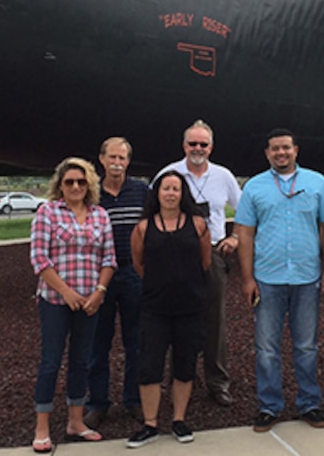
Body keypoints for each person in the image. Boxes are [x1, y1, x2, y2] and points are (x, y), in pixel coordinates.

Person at [235, 128, 324, 432]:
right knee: (267, 347)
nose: (280, 153)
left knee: (306, 345)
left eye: (285, 148)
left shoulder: (317, 182)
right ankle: (269, 406)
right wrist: (246, 278)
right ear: (267, 154)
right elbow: (245, 233)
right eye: (274, 149)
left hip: (306, 277)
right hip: (268, 278)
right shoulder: (255, 187)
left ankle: (309, 403)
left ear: (296, 150)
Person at [29, 157, 117, 453]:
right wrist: (66, 292)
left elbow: (109, 259)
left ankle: (75, 422)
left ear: (89, 184)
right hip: (55, 300)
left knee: (81, 361)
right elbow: (40, 259)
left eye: (81, 181)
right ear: (60, 185)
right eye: (69, 182)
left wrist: (100, 292)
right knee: (51, 361)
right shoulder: (48, 213)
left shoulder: (100, 215)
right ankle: (42, 426)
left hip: (90, 301)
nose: (76, 186)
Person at [155, 119, 242, 407]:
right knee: (176, 319)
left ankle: (218, 382)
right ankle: (180, 381)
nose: (198, 148)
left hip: (215, 252)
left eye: (203, 144)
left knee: (215, 319)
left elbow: (243, 211)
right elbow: (150, 211)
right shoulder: (169, 174)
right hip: (177, 254)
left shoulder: (223, 176)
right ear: (184, 146)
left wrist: (237, 238)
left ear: (211, 147)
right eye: (193, 143)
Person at [125, 171, 211, 448]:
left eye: (176, 188)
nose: (171, 193)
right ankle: (150, 423)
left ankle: (179, 419)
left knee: (185, 364)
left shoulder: (197, 225)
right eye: (166, 188)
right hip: (155, 308)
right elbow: (138, 264)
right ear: (157, 193)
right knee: (150, 365)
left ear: (182, 193)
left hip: (189, 306)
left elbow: (205, 262)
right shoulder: (143, 228)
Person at [86, 137, 148, 428]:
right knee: (98, 343)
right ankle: (97, 403)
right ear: (101, 159)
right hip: (100, 277)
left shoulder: (141, 191)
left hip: (134, 274)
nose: (117, 163)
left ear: (128, 161)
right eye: (112, 157)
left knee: (136, 342)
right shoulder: (90, 193)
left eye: (122, 158)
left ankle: (134, 401)